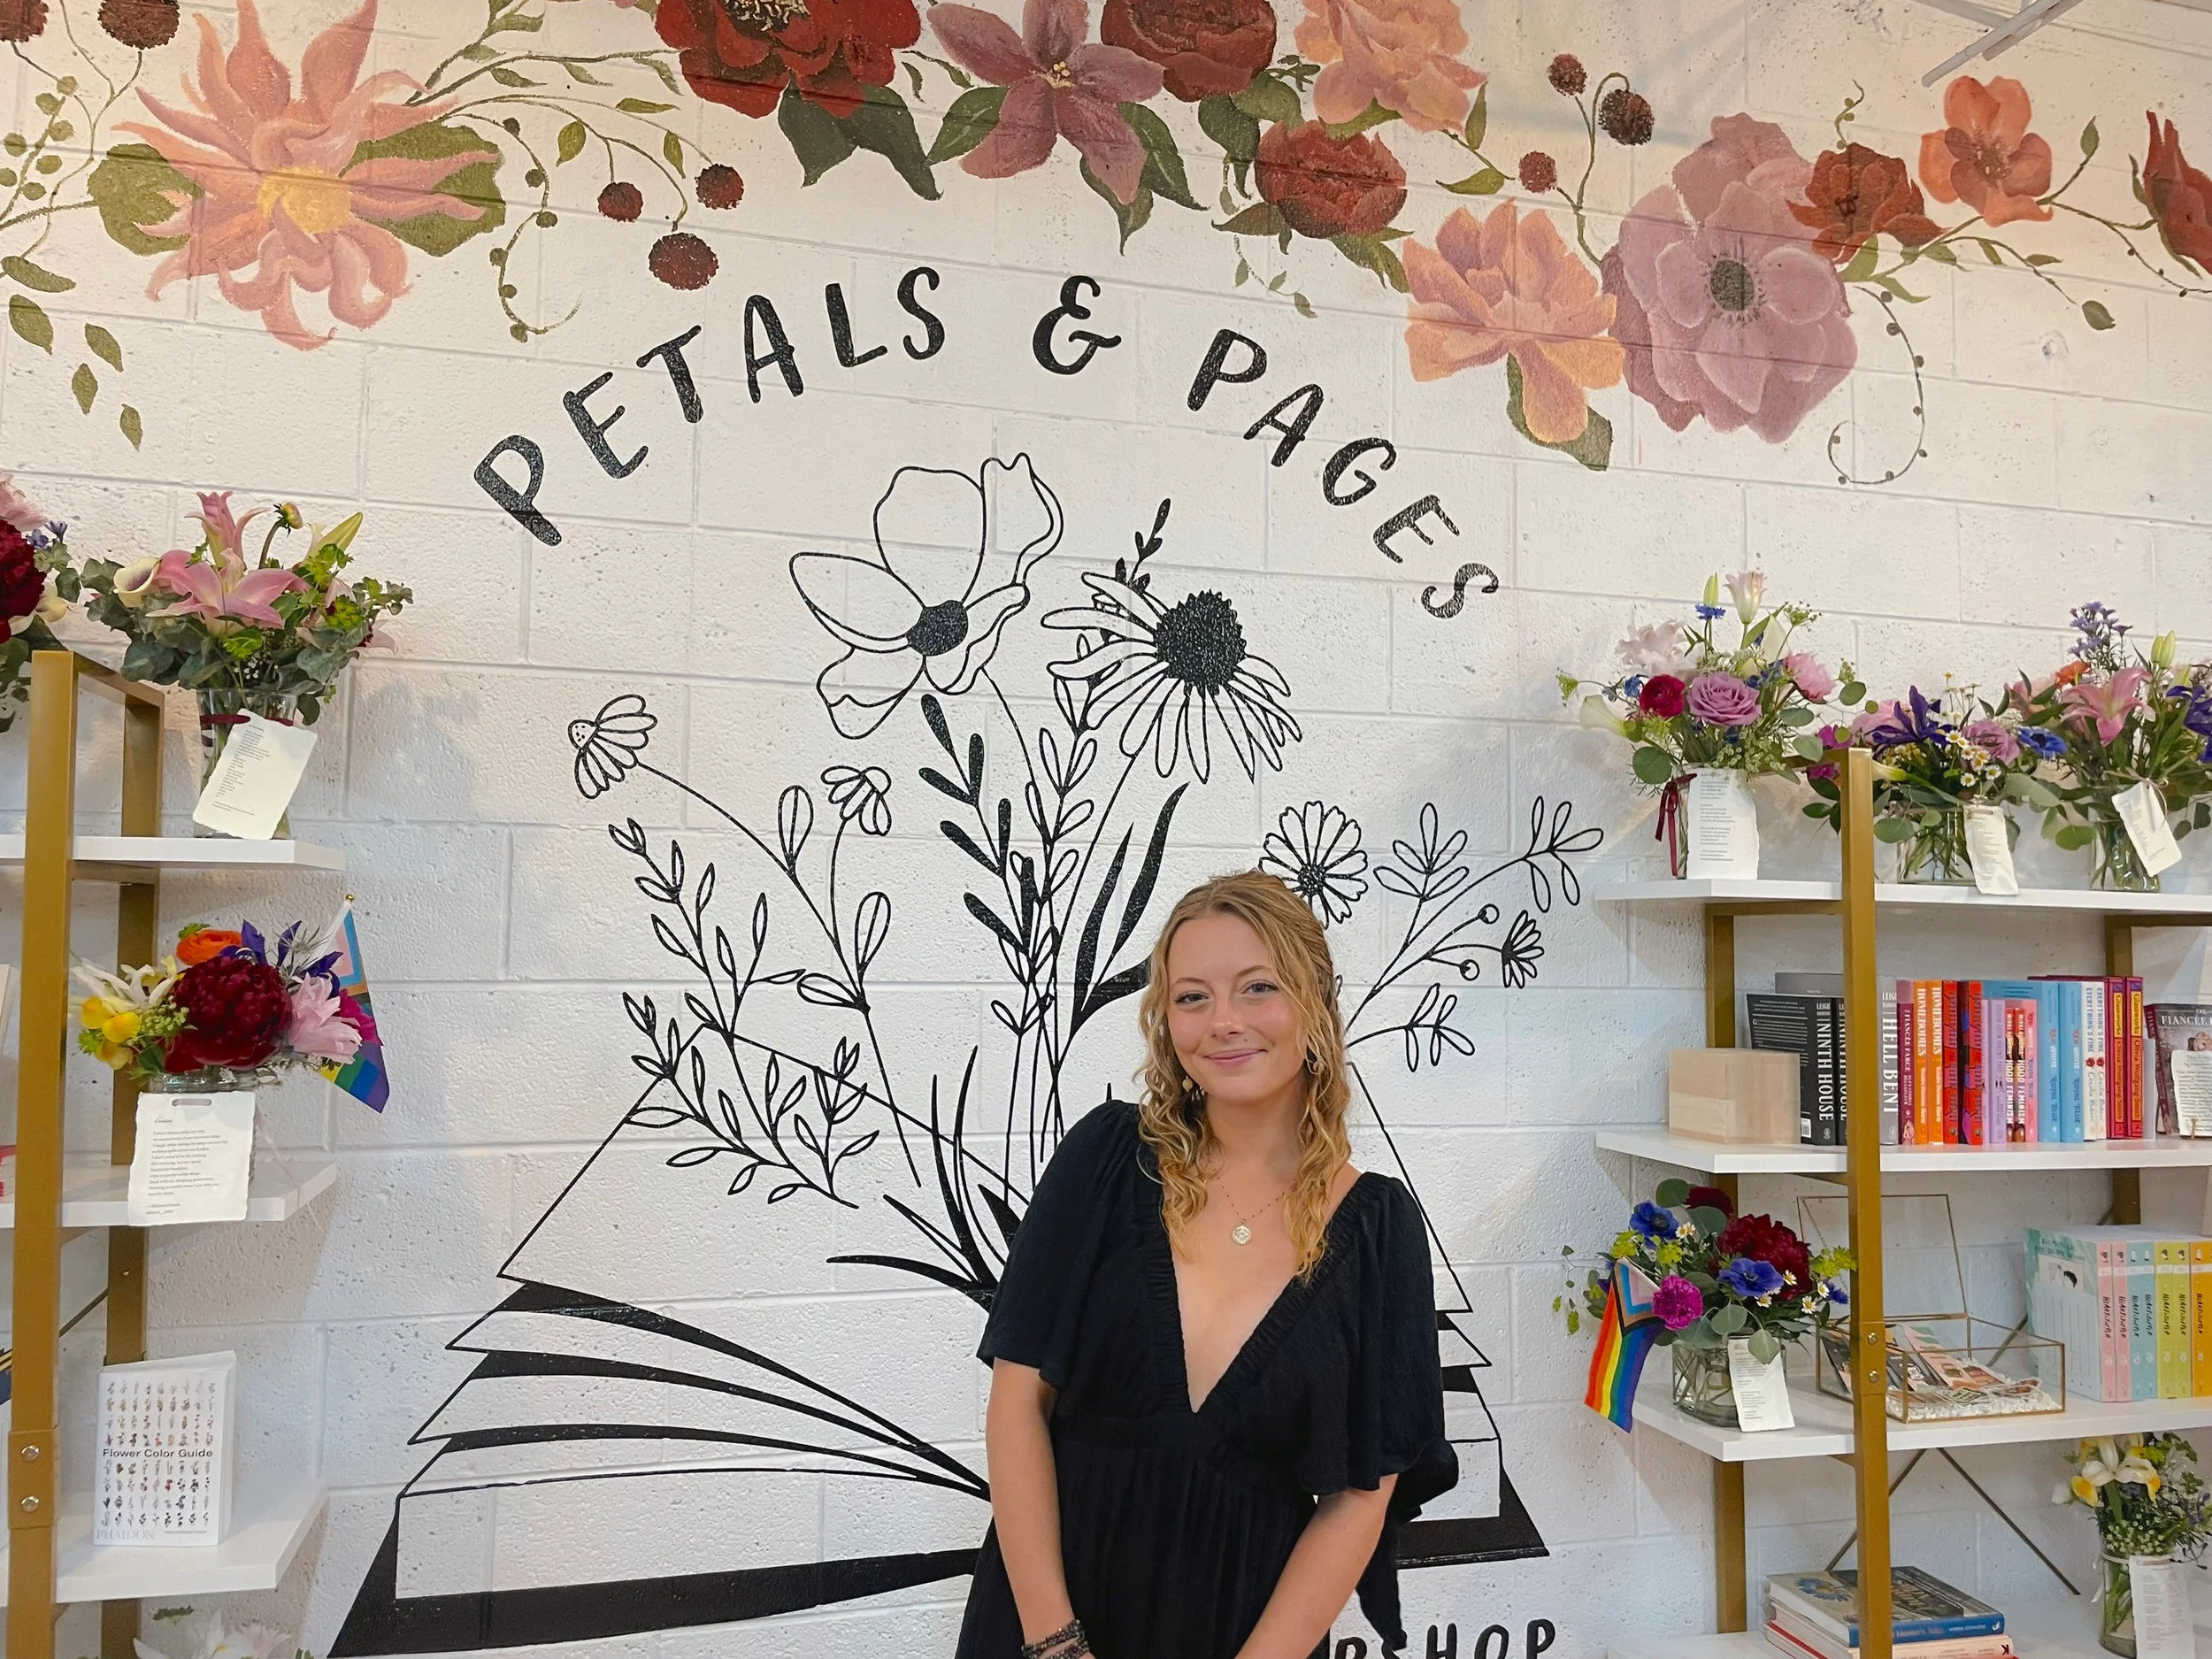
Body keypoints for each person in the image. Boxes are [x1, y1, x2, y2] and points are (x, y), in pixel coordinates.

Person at [956, 870, 1456, 1659]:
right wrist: (1056, 1643)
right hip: (1046, 1622)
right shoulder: (1106, 1160)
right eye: (1192, 997)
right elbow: (1018, 1403)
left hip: (1241, 1629)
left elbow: (1361, 1497)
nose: (1223, 1022)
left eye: (1257, 987)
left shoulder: (1380, 1230)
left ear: (1316, 1006)